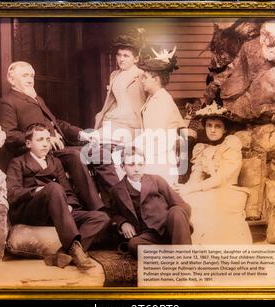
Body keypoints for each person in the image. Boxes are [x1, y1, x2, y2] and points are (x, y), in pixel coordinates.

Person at [0, 61, 119, 211]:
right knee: (75, 155)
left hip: (60, 147)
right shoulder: (7, 102)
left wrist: (81, 133)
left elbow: (57, 123)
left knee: (101, 153)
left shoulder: (36, 99)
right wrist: (44, 137)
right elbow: (9, 135)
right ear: (11, 79)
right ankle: (97, 208)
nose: (30, 79)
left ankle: (117, 204)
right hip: (40, 151)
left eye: (32, 76)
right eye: (25, 75)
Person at [5, 123, 110, 269]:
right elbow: (12, 193)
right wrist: (37, 191)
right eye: (40, 140)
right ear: (28, 143)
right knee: (53, 187)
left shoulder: (55, 162)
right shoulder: (18, 163)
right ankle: (73, 247)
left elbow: (67, 192)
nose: (45, 144)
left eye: (48, 140)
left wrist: (71, 206)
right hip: (32, 211)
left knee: (101, 217)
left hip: (57, 211)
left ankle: (62, 254)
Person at [173, 102, 253, 244]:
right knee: (184, 200)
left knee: (201, 204)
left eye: (217, 126)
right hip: (209, 190)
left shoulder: (231, 144)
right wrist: (184, 190)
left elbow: (220, 179)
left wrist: (191, 188)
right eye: (209, 125)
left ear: (225, 130)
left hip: (229, 191)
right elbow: (196, 177)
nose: (213, 130)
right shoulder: (202, 148)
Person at [109, 147, 192, 258]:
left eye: (140, 164)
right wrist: (122, 223)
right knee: (133, 244)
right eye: (131, 165)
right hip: (148, 236)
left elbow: (182, 205)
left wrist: (179, 224)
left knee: (176, 210)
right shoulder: (116, 190)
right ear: (122, 167)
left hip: (169, 228)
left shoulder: (156, 180)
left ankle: (184, 259)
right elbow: (113, 214)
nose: (137, 169)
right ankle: (172, 255)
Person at [135, 46, 187, 185]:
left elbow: (156, 134)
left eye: (145, 77)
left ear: (156, 79)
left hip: (160, 161)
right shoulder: (154, 97)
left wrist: (135, 146)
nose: (142, 80)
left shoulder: (162, 100)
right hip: (154, 157)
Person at [94, 29, 147, 145]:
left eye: (126, 56)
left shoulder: (140, 75)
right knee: (96, 141)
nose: (121, 59)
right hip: (114, 119)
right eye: (119, 55)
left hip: (131, 124)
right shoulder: (114, 75)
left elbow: (141, 105)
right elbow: (112, 101)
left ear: (136, 59)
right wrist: (103, 115)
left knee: (96, 139)